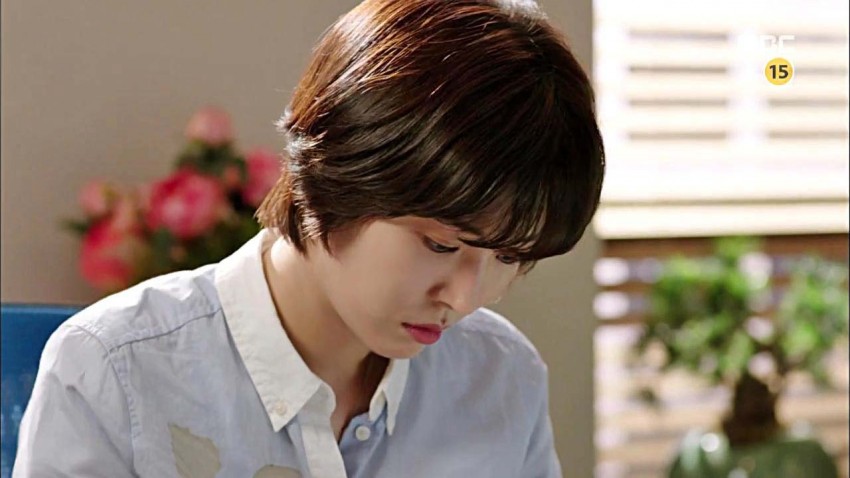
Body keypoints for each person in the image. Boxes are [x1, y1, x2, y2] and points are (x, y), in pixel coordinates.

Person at [13, 0, 604, 476]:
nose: (465, 298)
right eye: (441, 245)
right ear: (336, 174)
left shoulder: (501, 376)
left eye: (508, 255)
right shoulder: (113, 372)